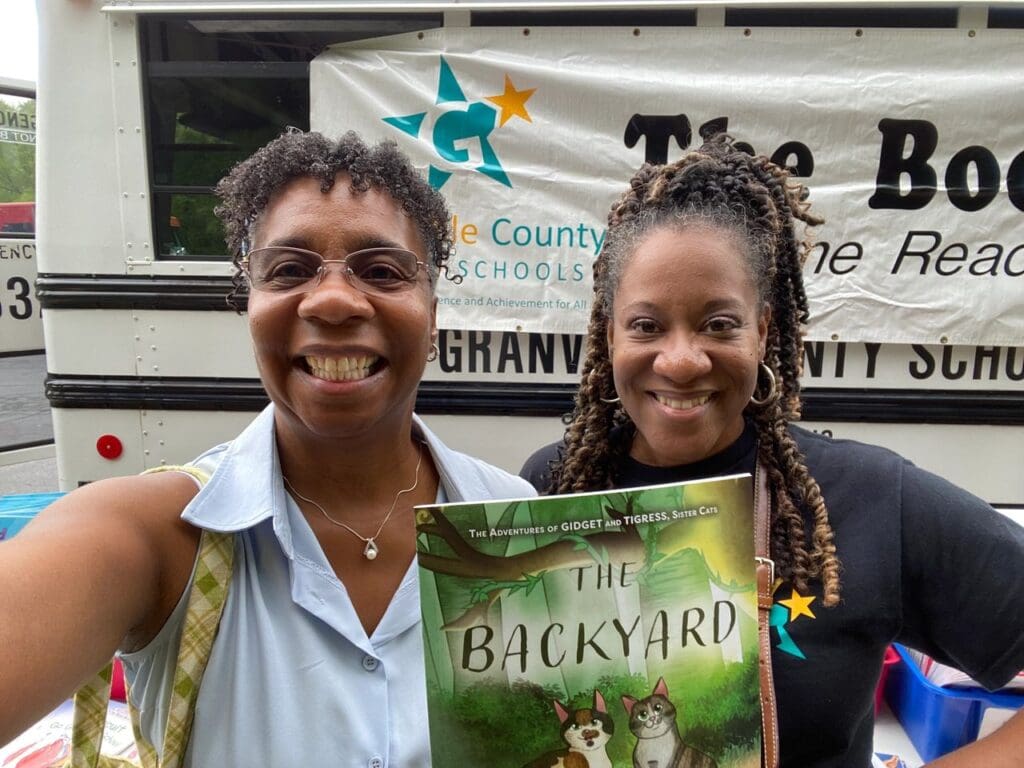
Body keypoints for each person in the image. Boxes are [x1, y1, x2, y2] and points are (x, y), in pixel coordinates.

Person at [0, 130, 535, 764]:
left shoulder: (513, 518)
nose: (333, 299)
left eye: (383, 271)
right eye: (288, 270)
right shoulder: (156, 536)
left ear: (434, 314)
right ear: (248, 305)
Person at [520, 135, 1024, 767]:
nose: (680, 360)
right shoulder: (552, 484)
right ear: (609, 333)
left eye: (719, 324)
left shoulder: (869, 497)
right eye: (646, 326)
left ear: (763, 331)